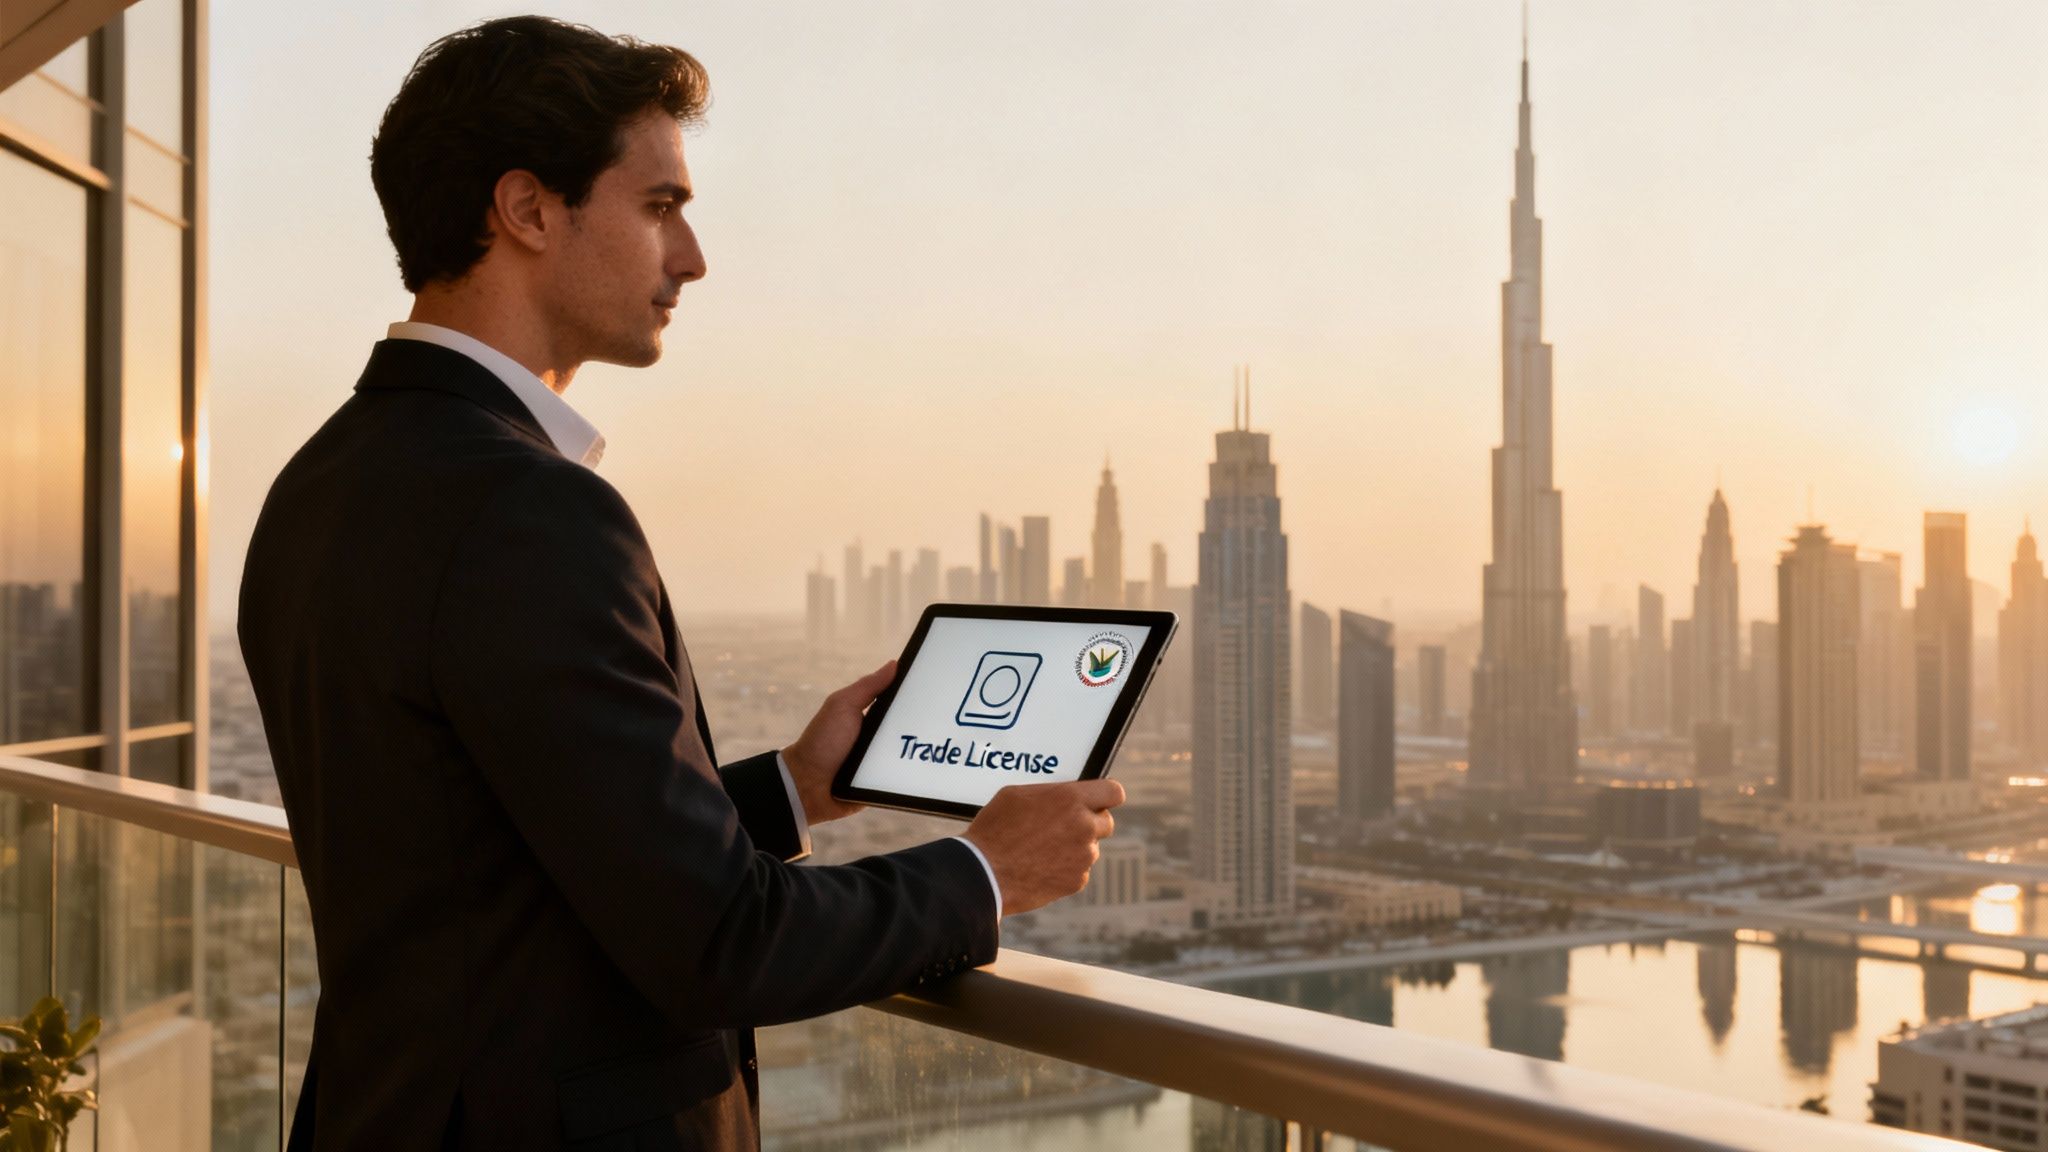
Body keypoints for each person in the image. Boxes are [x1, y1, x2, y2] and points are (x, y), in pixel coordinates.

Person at [237, 16, 1123, 1149]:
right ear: (526, 210)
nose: (692, 256)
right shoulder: (527, 509)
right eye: (659, 206)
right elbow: (719, 945)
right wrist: (986, 871)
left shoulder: (319, 485)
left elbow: (491, 858)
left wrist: (796, 789)